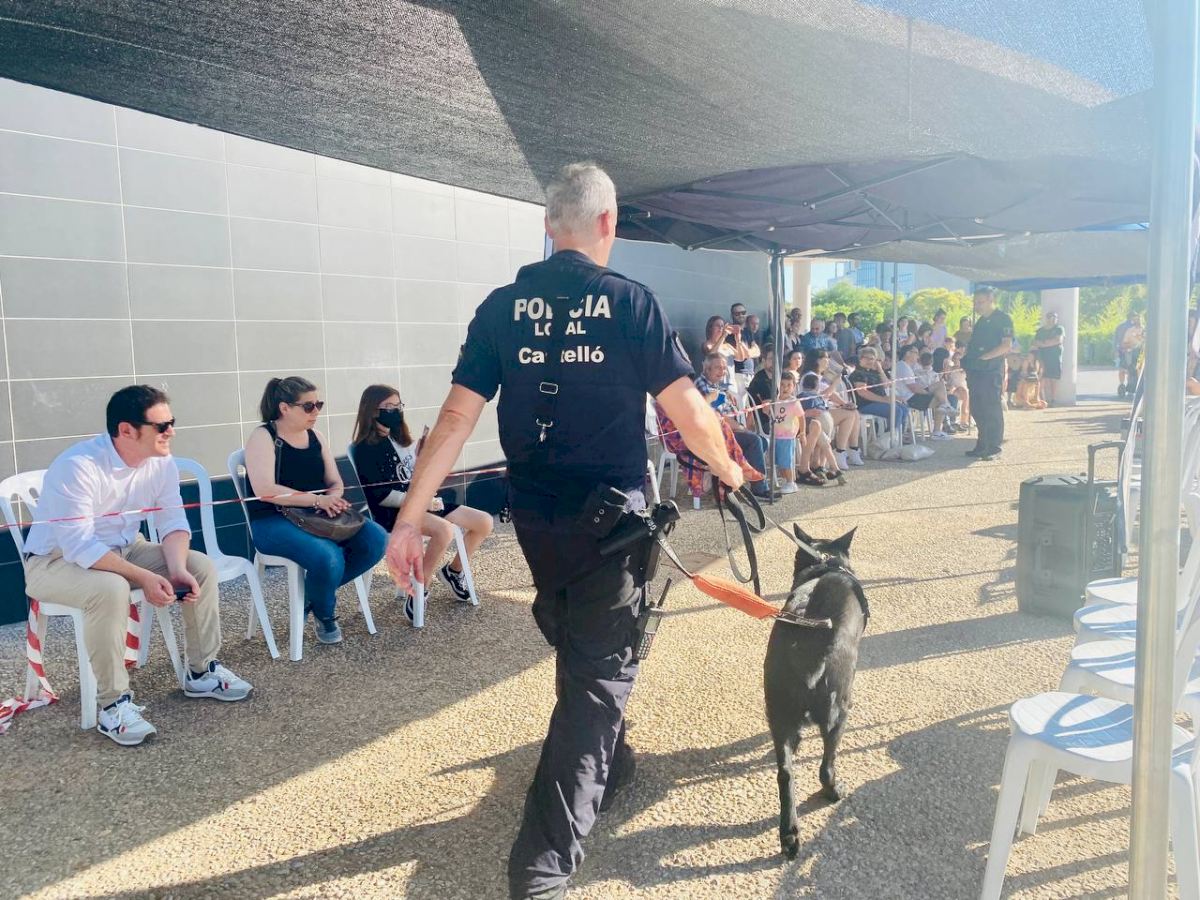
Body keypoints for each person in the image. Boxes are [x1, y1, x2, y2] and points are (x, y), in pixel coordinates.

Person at [381, 162, 744, 900]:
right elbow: (689, 412)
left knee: (581, 639)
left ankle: (614, 761)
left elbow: (453, 419)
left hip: (539, 523)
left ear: (550, 226)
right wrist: (730, 470)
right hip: (612, 526)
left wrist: (410, 519)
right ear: (609, 223)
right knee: (600, 676)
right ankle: (542, 865)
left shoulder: (501, 308)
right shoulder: (631, 302)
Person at [23, 385, 252, 746]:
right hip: (54, 561)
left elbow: (173, 522)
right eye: (161, 426)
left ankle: (202, 672)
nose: (171, 432)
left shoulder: (161, 463)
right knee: (110, 587)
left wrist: (176, 568)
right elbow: (79, 546)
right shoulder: (77, 466)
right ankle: (112, 705)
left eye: (172, 423)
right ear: (126, 430)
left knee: (200, 566)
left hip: (127, 548)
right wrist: (144, 577)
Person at [243, 376, 388, 644]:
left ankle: (312, 594)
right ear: (284, 408)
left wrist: (333, 499)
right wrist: (318, 501)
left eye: (318, 404)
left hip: (316, 514)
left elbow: (335, 483)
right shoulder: (263, 436)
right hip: (272, 520)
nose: (316, 411)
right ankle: (325, 612)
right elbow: (265, 489)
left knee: (377, 539)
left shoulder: (316, 437)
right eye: (308, 406)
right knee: (328, 557)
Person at [351, 384, 493, 618]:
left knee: (484, 522)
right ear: (372, 410)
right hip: (395, 512)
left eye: (398, 406)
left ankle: (454, 571)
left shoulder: (399, 439)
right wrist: (422, 501)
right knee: (444, 530)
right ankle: (420, 588)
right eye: (389, 407)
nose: (396, 411)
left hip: (421, 501)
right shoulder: (365, 449)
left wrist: (423, 458)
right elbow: (382, 496)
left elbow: (411, 476)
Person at [696, 353, 774, 500]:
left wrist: (725, 394)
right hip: (715, 435)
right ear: (707, 368)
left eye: (724, 368)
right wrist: (740, 427)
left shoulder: (716, 385)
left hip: (727, 431)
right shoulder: (702, 385)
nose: (722, 371)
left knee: (761, 442)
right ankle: (758, 488)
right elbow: (717, 417)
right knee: (754, 441)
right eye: (718, 368)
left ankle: (735, 482)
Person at [961, 288, 1014, 460]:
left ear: (991, 299)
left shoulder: (1003, 319)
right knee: (977, 408)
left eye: (980, 302)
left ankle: (994, 447)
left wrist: (985, 357)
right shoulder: (980, 322)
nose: (977, 306)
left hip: (991, 370)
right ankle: (982, 443)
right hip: (976, 371)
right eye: (975, 303)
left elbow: (1006, 345)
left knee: (991, 408)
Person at [801, 349, 863, 467]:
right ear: (818, 360)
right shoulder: (810, 376)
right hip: (814, 412)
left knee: (853, 412)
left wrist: (844, 404)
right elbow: (824, 394)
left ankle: (853, 448)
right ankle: (840, 451)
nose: (828, 361)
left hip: (822, 409)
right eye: (826, 358)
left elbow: (831, 394)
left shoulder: (819, 376)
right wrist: (836, 382)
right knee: (849, 415)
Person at [849, 346, 910, 435]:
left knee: (904, 409)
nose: (870, 361)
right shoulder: (858, 373)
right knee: (896, 411)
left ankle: (898, 436)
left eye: (872, 359)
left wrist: (880, 369)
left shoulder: (872, 372)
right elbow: (863, 392)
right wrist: (883, 400)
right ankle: (888, 437)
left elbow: (886, 385)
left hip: (877, 401)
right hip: (865, 404)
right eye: (867, 358)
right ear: (861, 359)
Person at [1032, 311, 1065, 405]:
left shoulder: (1059, 329)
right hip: (1042, 357)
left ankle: (1053, 399)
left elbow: (1058, 340)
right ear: (1047, 319)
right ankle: (1041, 399)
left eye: (1055, 317)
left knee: (1053, 379)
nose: (1054, 319)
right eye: (1051, 317)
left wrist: (1043, 344)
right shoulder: (1040, 331)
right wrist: (1047, 343)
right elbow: (1035, 342)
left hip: (1055, 357)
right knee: (1042, 378)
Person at [725, 303, 759, 389]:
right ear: (732, 315)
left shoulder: (748, 331)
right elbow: (741, 355)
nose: (741, 315)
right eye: (737, 313)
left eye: (743, 313)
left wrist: (748, 353)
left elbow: (757, 351)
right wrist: (749, 352)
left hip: (750, 373)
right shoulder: (730, 332)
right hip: (739, 374)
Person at [1116, 312, 1144, 398]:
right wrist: (1130, 346)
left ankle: (1137, 387)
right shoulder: (1129, 331)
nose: (1137, 321)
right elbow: (1124, 343)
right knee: (1124, 369)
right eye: (1135, 319)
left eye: (1138, 319)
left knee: (1138, 371)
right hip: (1130, 353)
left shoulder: (1145, 330)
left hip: (1141, 354)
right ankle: (1122, 385)